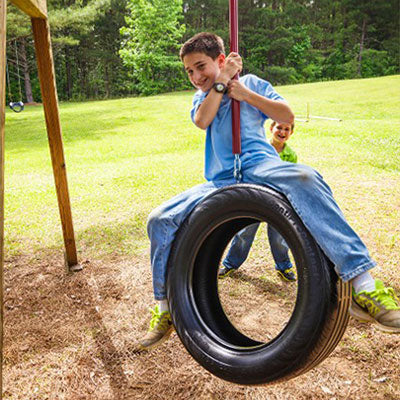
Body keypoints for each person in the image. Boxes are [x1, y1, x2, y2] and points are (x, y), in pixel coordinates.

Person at [138, 32, 400, 350]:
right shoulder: (205, 94)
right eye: (189, 71)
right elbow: (202, 121)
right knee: (159, 219)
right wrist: (220, 83)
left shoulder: (253, 83)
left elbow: (285, 116)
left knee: (305, 177)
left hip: (261, 167)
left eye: (201, 66)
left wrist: (245, 93)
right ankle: (167, 310)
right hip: (220, 180)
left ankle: (363, 286)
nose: (195, 76)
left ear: (220, 59)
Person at [218, 120, 298, 282]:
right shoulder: (261, 149)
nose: (282, 132)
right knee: (244, 232)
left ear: (291, 133)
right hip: (256, 197)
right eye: (279, 128)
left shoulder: (291, 155)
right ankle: (231, 264)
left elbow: (289, 179)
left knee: (279, 236)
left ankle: (283, 266)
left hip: (277, 200)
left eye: (286, 129)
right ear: (271, 128)